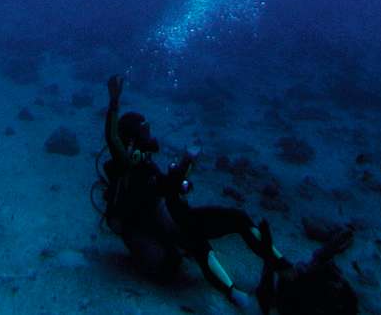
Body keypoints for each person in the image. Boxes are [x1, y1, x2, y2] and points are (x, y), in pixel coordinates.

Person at [100, 73, 274, 305]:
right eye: (143, 132)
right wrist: (114, 102)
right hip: (139, 225)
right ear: (131, 140)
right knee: (169, 269)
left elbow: (163, 188)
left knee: (224, 223)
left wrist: (182, 176)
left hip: (160, 218)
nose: (148, 137)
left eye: (147, 130)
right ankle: (231, 290)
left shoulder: (146, 165)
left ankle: (278, 267)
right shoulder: (126, 166)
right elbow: (112, 139)